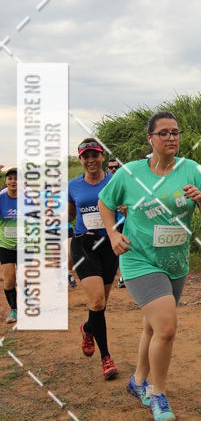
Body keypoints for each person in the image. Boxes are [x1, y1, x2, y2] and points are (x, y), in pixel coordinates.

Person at [98, 110, 201, 421]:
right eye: (163, 133)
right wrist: (112, 233)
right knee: (166, 328)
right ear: (150, 139)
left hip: (176, 262)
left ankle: (137, 380)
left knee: (152, 326)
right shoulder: (130, 173)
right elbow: (105, 202)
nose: (171, 137)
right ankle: (157, 393)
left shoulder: (190, 169)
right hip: (139, 260)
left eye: (175, 132)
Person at [68, 139, 119, 380]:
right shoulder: (73, 185)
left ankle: (88, 328)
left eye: (94, 155)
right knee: (97, 301)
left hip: (109, 245)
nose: (90, 160)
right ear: (80, 159)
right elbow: (69, 214)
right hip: (84, 243)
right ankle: (106, 357)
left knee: (100, 305)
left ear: (102, 156)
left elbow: (126, 206)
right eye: (85, 156)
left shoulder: (115, 181)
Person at [0, 168, 18, 324]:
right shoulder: (1, 198)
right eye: (10, 178)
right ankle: (14, 309)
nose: (13, 181)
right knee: (9, 279)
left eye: (16, 178)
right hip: (6, 245)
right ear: (6, 181)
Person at [106, 157, 126, 288]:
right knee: (116, 248)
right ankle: (120, 276)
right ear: (107, 169)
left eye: (116, 167)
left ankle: (123, 275)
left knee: (126, 246)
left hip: (124, 218)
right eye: (111, 167)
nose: (114, 169)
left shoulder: (123, 180)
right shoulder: (104, 182)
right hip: (111, 222)